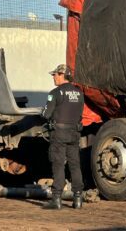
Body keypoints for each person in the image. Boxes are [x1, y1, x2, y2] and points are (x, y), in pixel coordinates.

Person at [42, 64, 84, 209]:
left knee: (58, 164)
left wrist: (45, 112)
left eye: (55, 75)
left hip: (59, 134)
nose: (53, 77)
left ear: (61, 75)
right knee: (75, 164)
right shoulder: (79, 93)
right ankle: (78, 198)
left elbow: (46, 114)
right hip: (74, 133)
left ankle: (56, 199)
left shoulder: (54, 92)